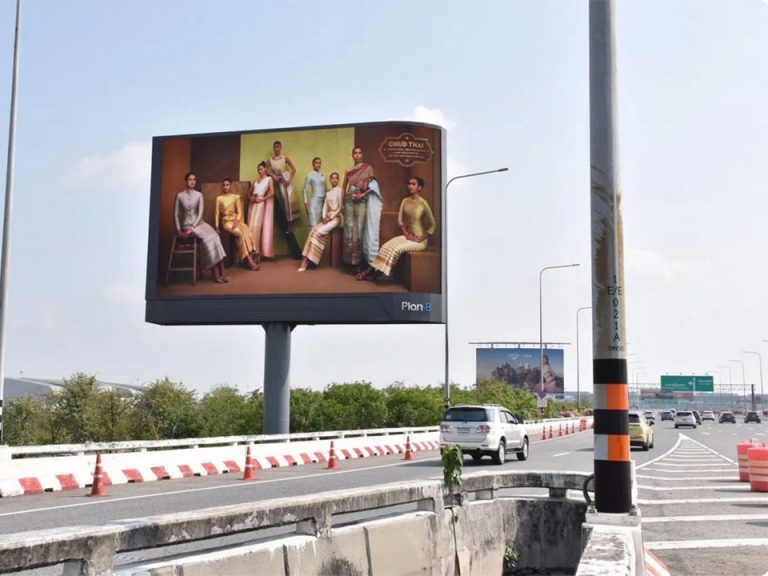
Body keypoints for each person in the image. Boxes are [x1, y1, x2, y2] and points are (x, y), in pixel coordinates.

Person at [357, 177, 435, 281]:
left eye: (414, 184)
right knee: (386, 246)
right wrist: (406, 234)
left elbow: (433, 225)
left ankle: (371, 273)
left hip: (419, 240)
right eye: (409, 183)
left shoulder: (423, 203)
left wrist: (422, 238)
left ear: (419, 187)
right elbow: (400, 220)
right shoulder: (405, 201)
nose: (410, 186)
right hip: (408, 236)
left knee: (396, 249)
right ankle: (372, 272)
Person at [174, 173, 228, 283]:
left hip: (199, 223)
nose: (192, 181)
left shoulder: (199, 195)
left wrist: (192, 228)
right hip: (187, 225)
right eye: (190, 179)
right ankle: (215, 274)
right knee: (209, 239)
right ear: (186, 181)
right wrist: (179, 230)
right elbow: (176, 215)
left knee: (216, 236)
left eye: (194, 179)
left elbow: (200, 214)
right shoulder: (179, 196)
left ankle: (223, 273)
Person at [298, 172, 343, 272]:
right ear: (330, 180)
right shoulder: (328, 192)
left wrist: (330, 217)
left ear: (338, 179)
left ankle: (309, 260)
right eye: (332, 178)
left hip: (336, 218)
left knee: (317, 233)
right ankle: (305, 259)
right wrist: (324, 217)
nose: (334, 180)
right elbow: (325, 207)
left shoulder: (340, 190)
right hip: (327, 217)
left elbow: (340, 208)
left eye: (336, 178)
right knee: (312, 231)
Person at [342, 146, 376, 273]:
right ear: (352, 155)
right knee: (349, 230)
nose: (357, 155)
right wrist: (342, 204)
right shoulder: (348, 170)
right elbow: (344, 187)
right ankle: (349, 262)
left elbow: (374, 186)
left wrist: (362, 194)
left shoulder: (368, 168)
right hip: (349, 199)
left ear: (363, 154)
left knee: (360, 229)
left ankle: (358, 263)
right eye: (355, 153)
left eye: (359, 153)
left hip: (362, 199)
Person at [215, 179, 259, 270]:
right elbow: (216, 213)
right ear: (222, 187)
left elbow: (240, 212)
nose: (225, 187)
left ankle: (251, 254)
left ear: (230, 186)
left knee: (247, 230)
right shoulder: (219, 198)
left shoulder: (235, 197)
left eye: (227, 185)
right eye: (224, 185)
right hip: (226, 222)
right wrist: (216, 227)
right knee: (240, 233)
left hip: (236, 220)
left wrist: (237, 221)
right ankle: (249, 260)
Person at [267, 140, 302, 258]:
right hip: (278, 182)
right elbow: (266, 172)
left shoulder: (285, 158)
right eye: (275, 147)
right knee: (282, 201)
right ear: (273, 148)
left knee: (289, 201)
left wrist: (289, 179)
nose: (276, 148)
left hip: (285, 180)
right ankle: (288, 221)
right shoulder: (270, 160)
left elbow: (294, 170)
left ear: (281, 148)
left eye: (278, 146)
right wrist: (272, 175)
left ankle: (290, 221)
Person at [247, 161, 275, 263]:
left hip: (260, 204)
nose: (259, 171)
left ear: (265, 169)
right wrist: (251, 198)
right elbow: (249, 193)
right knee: (250, 227)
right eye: (258, 169)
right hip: (253, 204)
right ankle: (250, 251)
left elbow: (272, 193)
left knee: (256, 227)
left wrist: (262, 199)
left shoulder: (269, 179)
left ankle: (256, 253)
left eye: (261, 169)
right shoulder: (255, 181)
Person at [302, 157, 327, 229]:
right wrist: (305, 204)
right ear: (313, 164)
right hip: (314, 203)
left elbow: (326, 190)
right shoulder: (310, 175)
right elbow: (304, 190)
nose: (318, 164)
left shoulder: (323, 175)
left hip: (323, 203)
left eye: (319, 163)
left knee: (321, 226)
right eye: (316, 163)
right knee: (313, 225)